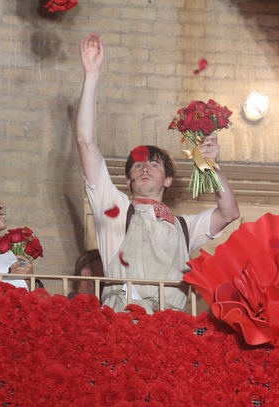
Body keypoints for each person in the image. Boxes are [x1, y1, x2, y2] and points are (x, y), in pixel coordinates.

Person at [76, 33, 240, 314]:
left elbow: (229, 213)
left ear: (168, 180)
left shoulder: (185, 227)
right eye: (137, 165)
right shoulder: (114, 209)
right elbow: (85, 142)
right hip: (122, 325)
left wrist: (209, 166)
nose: (144, 168)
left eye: (153, 164)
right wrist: (92, 74)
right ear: (128, 180)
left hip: (170, 332)